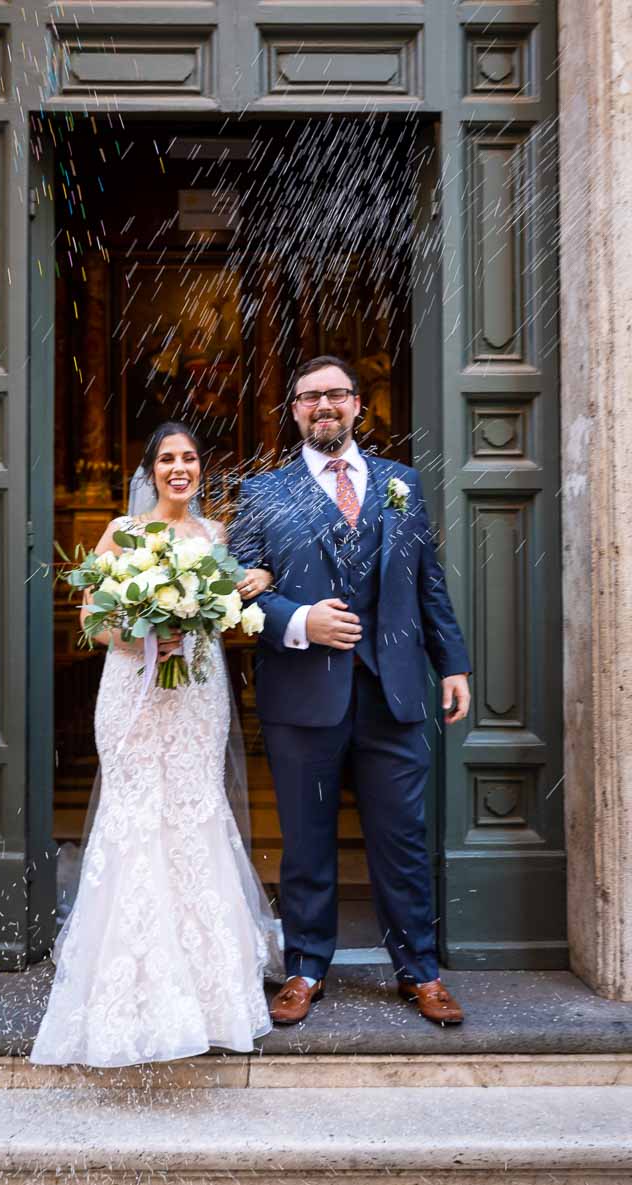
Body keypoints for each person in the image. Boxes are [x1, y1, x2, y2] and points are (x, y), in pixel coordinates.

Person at [229, 356, 472, 1027]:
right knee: (306, 841)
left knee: (403, 838)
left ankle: (419, 969)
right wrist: (299, 621)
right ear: (296, 411)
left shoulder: (399, 486)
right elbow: (236, 590)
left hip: (393, 690)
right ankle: (305, 967)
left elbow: (427, 579)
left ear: (358, 405)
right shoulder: (263, 493)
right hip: (303, 694)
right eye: (310, 398)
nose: (323, 406)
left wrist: (452, 662)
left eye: (335, 394)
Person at [31, 422, 279, 1068]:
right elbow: (92, 616)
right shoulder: (124, 532)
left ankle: (207, 986)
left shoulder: (216, 537)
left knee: (194, 807)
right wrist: (143, 640)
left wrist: (233, 599)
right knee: (136, 811)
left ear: (201, 470)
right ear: (149, 471)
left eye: (189, 458)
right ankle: (132, 979)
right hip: (132, 693)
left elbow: (224, 617)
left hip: (196, 690)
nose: (179, 468)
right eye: (168, 458)